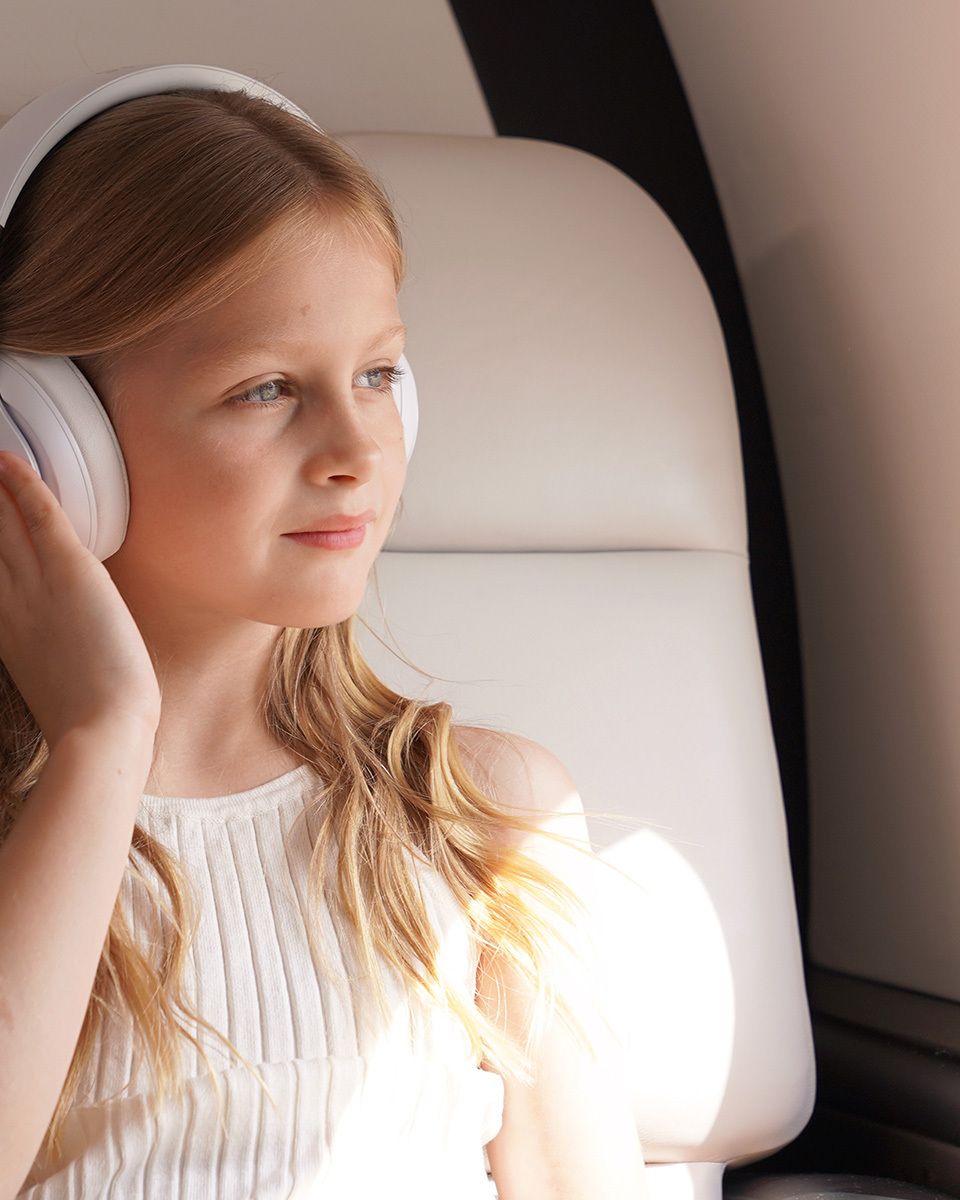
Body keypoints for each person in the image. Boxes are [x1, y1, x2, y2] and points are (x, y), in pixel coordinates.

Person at [0, 80, 648, 1198]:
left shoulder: (481, 815)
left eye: (380, 375)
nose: (359, 446)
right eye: (265, 390)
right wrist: (105, 743)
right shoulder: (37, 838)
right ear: (52, 439)